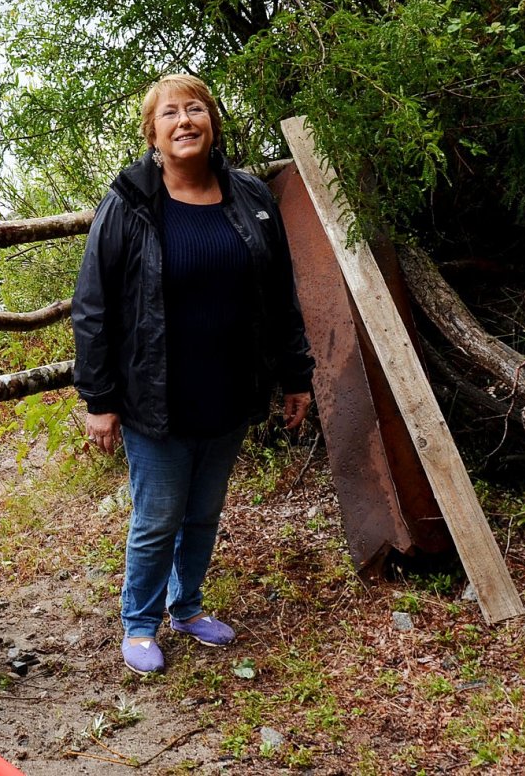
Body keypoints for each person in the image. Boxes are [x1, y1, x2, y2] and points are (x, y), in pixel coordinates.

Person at [72, 73, 314, 676]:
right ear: (152, 134)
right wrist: (99, 399)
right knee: (157, 518)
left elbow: (280, 295)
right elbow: (93, 306)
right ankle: (139, 624)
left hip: (228, 390)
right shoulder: (129, 203)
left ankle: (187, 608)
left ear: (213, 122)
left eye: (196, 109)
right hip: (155, 397)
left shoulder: (249, 196)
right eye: (170, 113)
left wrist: (296, 375)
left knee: (203, 512)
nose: (185, 121)